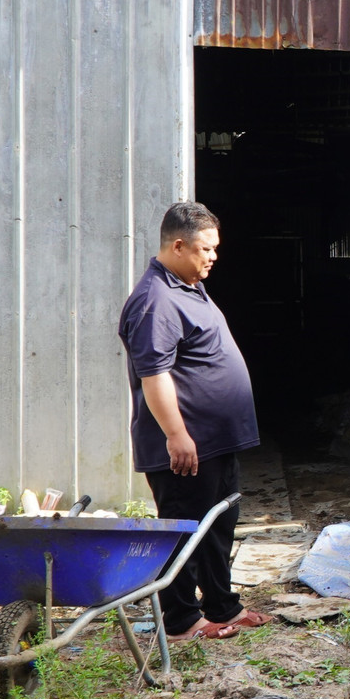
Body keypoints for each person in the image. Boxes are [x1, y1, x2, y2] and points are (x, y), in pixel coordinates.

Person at [117, 201, 271, 641]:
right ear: (179, 246)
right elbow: (154, 375)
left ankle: (223, 606)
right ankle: (182, 620)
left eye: (215, 248)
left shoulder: (188, 286)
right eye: (206, 248)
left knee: (218, 526)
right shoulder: (155, 300)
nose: (214, 256)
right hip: (187, 446)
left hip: (215, 441)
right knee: (184, 529)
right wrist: (177, 434)